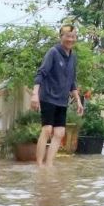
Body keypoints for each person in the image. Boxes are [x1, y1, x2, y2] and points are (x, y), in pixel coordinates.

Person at [34, 23, 81, 167]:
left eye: (73, 37)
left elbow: (72, 82)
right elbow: (41, 73)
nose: (70, 39)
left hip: (62, 100)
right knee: (47, 129)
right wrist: (35, 94)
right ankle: (39, 165)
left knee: (60, 133)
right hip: (48, 96)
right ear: (61, 37)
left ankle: (48, 165)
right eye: (67, 36)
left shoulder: (73, 57)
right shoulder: (53, 52)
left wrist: (78, 101)